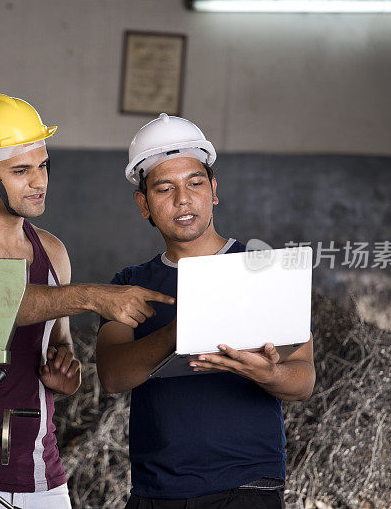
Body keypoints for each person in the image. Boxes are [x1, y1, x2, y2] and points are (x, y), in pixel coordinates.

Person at [0, 94, 174, 508]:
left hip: (40, 473)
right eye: (21, 170)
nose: (39, 181)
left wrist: (65, 372)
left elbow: (58, 344)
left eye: (43, 165)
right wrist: (92, 296)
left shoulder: (52, 251)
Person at [96, 113, 315, 509]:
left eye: (195, 183)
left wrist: (270, 374)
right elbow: (112, 375)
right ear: (143, 204)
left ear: (213, 190)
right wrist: (179, 332)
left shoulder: (263, 269)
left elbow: (303, 378)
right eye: (164, 189)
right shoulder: (128, 284)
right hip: (155, 492)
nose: (183, 199)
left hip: (247, 487)